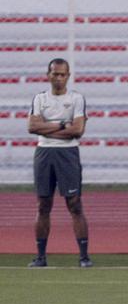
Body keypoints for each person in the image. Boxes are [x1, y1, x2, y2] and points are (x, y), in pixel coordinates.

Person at [27, 58, 91, 268]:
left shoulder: (76, 99)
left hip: (68, 154)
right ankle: (41, 256)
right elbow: (32, 127)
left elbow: (78, 130)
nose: (59, 78)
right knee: (43, 204)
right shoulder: (40, 98)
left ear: (68, 76)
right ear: (48, 75)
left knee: (74, 203)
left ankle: (83, 256)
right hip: (44, 152)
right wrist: (64, 124)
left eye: (62, 74)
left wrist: (48, 126)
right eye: (55, 73)